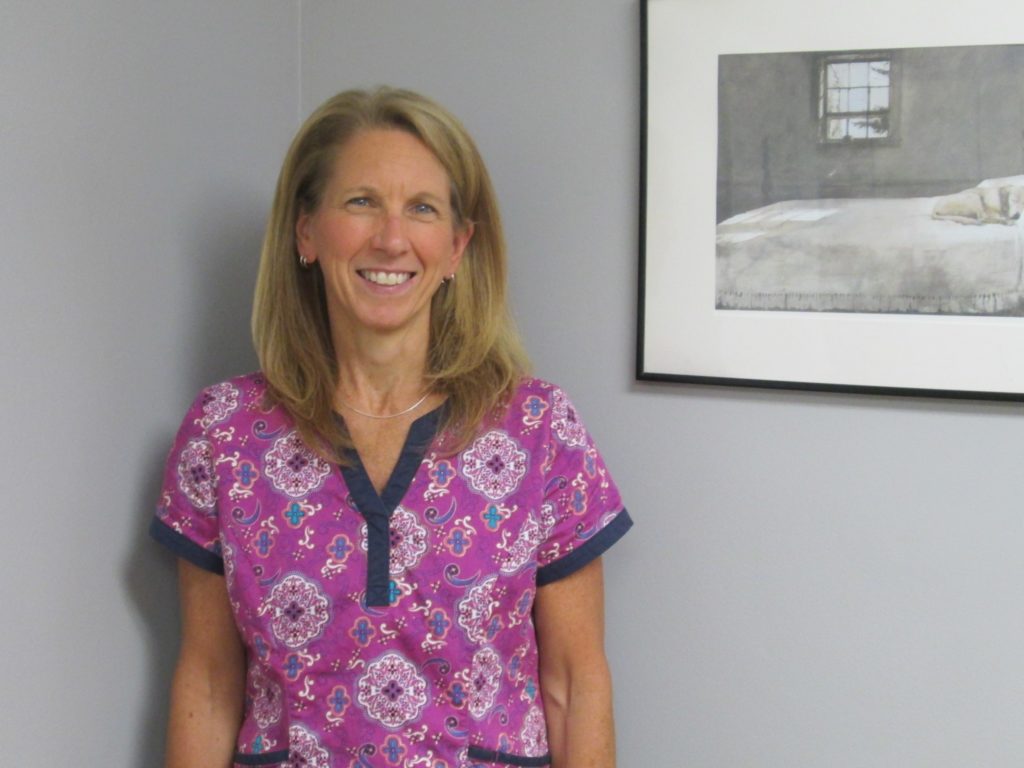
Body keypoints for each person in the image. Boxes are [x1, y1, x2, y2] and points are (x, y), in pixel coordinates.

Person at [151, 86, 633, 768]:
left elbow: (575, 686)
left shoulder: (538, 431)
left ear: (458, 246)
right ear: (306, 232)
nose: (391, 238)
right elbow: (207, 681)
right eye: (361, 202)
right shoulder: (223, 433)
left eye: (423, 209)